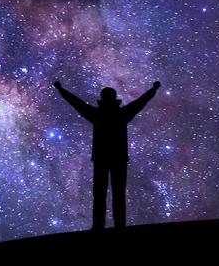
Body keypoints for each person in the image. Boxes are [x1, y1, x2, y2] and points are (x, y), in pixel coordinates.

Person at [53, 78, 160, 230]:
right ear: (114, 98)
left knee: (100, 194)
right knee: (117, 194)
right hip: (118, 158)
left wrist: (61, 90)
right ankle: (118, 225)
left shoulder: (97, 115)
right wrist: (153, 90)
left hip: (102, 158)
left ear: (102, 99)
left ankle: (99, 226)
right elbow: (140, 102)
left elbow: (77, 103)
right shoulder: (122, 114)